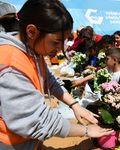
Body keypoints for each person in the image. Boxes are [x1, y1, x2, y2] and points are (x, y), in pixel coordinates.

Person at [0, 0, 113, 149]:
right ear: (32, 32)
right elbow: (38, 121)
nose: (60, 48)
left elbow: (50, 80)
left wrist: (75, 105)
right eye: (56, 42)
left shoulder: (32, 49)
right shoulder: (10, 63)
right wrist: (86, 130)